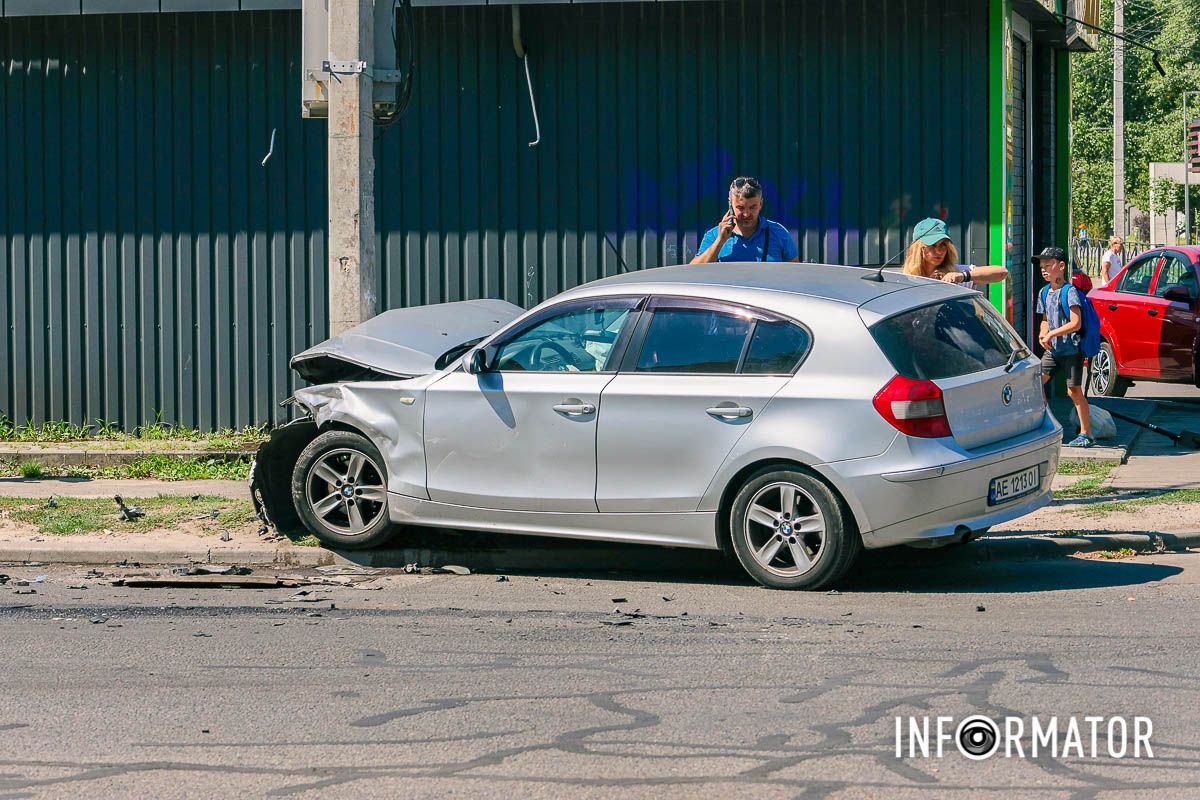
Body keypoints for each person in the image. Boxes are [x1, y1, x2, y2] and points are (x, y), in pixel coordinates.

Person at [1035, 245, 1094, 448]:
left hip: (1071, 349)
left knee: (1074, 391)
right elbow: (1045, 318)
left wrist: (1052, 332)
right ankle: (1043, 427)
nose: (1044, 269)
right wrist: (1043, 331)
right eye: (1042, 266)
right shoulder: (1044, 292)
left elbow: (1075, 323)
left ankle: (1087, 434)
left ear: (1061, 266)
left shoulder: (1070, 292)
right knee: (1035, 384)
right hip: (1053, 350)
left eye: (1048, 265)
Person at [692, 177, 800, 263]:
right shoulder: (715, 235)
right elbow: (693, 272)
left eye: (753, 207)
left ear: (761, 204)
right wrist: (720, 241)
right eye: (740, 208)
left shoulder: (778, 233)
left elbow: (795, 275)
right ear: (730, 205)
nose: (746, 214)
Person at [900, 218, 1008, 288]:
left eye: (943, 245)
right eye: (932, 245)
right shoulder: (903, 279)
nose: (939, 251)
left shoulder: (956, 273)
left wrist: (963, 276)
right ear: (918, 248)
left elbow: (1002, 272)